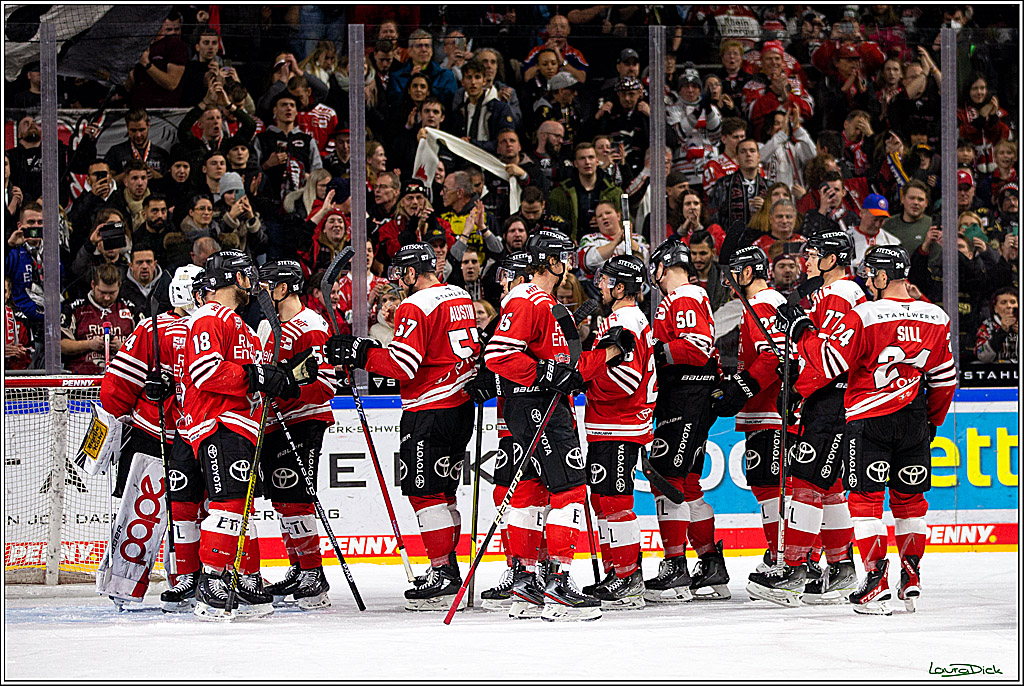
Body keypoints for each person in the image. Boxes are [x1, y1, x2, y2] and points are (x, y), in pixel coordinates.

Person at [789, 245, 956, 615]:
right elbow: (945, 379)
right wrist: (931, 420)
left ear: (882, 277)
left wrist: (803, 332)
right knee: (911, 502)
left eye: (870, 275)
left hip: (869, 419)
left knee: (866, 504)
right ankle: (910, 575)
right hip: (914, 417)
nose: (866, 280)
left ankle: (876, 581)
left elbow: (828, 361)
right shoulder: (936, 315)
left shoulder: (863, 314)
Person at [327, 243, 478, 611]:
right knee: (444, 493)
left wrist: (361, 354)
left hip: (429, 409)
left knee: (425, 494)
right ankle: (449, 569)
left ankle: (442, 573)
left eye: (401, 273)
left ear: (412, 272)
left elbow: (403, 366)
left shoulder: (415, 305)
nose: (399, 281)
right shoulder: (458, 294)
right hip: (460, 407)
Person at [183, 250, 314, 619]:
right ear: (235, 278)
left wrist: (285, 379)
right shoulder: (209, 316)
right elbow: (206, 372)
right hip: (218, 423)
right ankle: (213, 581)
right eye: (247, 275)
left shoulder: (238, 323)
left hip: (241, 426)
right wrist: (256, 376)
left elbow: (255, 377)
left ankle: (239, 578)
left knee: (239, 507)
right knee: (228, 507)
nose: (253, 282)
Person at [483, 229, 601, 622]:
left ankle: (527, 584)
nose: (567, 263)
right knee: (570, 487)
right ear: (550, 261)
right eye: (563, 256)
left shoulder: (546, 302)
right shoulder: (526, 297)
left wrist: (566, 370)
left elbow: (555, 363)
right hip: (538, 407)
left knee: (532, 492)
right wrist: (545, 373)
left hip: (539, 404)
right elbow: (498, 356)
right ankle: (559, 583)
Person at [746, 231, 863, 606]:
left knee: (805, 483)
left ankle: (794, 571)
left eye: (813, 254)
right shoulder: (830, 294)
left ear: (834, 258)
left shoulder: (838, 294)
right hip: (828, 400)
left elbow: (829, 358)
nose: (806, 260)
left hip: (831, 401)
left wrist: (798, 384)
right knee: (827, 487)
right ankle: (842, 569)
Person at [100, 264, 200, 569]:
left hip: (155, 434)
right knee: (197, 511)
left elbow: (115, 390)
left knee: (142, 514)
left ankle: (124, 580)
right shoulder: (216, 325)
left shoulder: (151, 328)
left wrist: (119, 417)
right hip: (196, 436)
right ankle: (198, 576)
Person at [645, 239, 729, 601]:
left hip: (685, 399)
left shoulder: (683, 297)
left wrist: (650, 350)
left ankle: (675, 567)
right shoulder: (685, 297)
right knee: (689, 484)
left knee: (668, 480)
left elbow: (695, 348)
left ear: (664, 266)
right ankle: (711, 565)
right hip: (690, 399)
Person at [257, 261, 337, 611]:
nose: (261, 292)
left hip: (303, 421)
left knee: (296, 496)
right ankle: (297, 565)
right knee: (281, 498)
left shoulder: (310, 327)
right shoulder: (265, 326)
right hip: (274, 421)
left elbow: (326, 384)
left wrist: (285, 388)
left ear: (285, 287)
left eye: (268, 285)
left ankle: (313, 573)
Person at [576, 255, 654, 609]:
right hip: (608, 425)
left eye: (606, 281)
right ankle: (616, 572)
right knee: (603, 500)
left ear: (621, 287)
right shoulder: (619, 319)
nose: (600, 286)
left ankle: (627, 577)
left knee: (615, 502)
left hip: (620, 425)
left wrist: (585, 379)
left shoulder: (626, 321)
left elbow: (626, 380)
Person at [710, 246, 788, 565]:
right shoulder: (760, 304)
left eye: (733, 275)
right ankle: (788, 553)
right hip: (767, 410)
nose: (729, 283)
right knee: (768, 485)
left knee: (771, 486)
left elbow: (776, 355)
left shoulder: (764, 303)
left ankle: (783, 556)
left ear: (747, 273)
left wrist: (739, 389)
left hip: (772, 410)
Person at [60, 264, 139, 375]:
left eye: (112, 293)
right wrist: (89, 344)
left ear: (119, 285)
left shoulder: (131, 309)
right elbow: (60, 345)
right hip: (83, 379)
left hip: (122, 377)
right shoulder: (75, 308)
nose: (107, 297)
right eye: (102, 292)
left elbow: (146, 349)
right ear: (93, 285)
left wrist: (123, 347)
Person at [548, 143, 623, 242]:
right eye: (582, 158)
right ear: (575, 163)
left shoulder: (614, 192)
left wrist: (603, 221)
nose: (587, 162)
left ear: (597, 161)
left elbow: (624, 223)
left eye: (591, 157)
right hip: (573, 244)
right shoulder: (560, 193)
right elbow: (553, 225)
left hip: (607, 244)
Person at [666, 62, 722, 186]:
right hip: (683, 172)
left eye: (694, 86)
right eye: (686, 86)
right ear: (679, 89)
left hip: (709, 170)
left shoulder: (712, 109)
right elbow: (679, 136)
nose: (690, 90)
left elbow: (717, 135)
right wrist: (697, 112)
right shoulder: (672, 109)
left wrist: (707, 110)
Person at [577, 200, 650, 280]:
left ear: (618, 216)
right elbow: (588, 263)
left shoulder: (638, 239)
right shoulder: (589, 239)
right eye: (600, 216)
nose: (604, 217)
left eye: (608, 213)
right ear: (597, 221)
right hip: (597, 288)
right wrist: (616, 242)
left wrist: (629, 240)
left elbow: (646, 262)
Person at [708, 138, 769, 231]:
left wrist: (766, 208)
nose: (748, 155)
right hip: (731, 240)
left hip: (763, 240)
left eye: (752, 151)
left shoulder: (769, 186)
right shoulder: (723, 184)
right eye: (743, 152)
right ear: (737, 158)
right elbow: (713, 216)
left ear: (759, 157)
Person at [105, 109, 171, 180]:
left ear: (148, 125)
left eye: (141, 130)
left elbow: (169, 183)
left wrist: (157, 176)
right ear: (127, 127)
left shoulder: (162, 154)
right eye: (133, 130)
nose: (138, 135)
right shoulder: (115, 152)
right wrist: (126, 175)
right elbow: (107, 181)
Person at [851, 194, 902, 272]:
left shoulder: (894, 243)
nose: (877, 224)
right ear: (862, 213)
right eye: (874, 219)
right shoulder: (843, 241)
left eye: (882, 220)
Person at [119, 243, 172, 315]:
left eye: (148, 262)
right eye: (139, 262)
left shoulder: (168, 286)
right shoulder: (121, 287)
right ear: (131, 265)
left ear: (155, 264)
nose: (144, 266)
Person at [702, 117, 747, 195]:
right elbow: (718, 196)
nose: (740, 141)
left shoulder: (753, 164)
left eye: (742, 137)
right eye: (735, 137)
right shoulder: (713, 165)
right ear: (723, 139)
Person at [882, 180, 932, 251]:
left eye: (920, 199)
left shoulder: (932, 227)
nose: (916, 202)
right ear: (903, 199)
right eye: (912, 198)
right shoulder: (886, 225)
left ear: (926, 203)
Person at [975, 288, 1018, 363]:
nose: (1009, 306)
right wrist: (1001, 332)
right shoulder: (986, 326)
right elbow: (982, 355)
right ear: (995, 308)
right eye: (1003, 302)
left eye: (1013, 302)